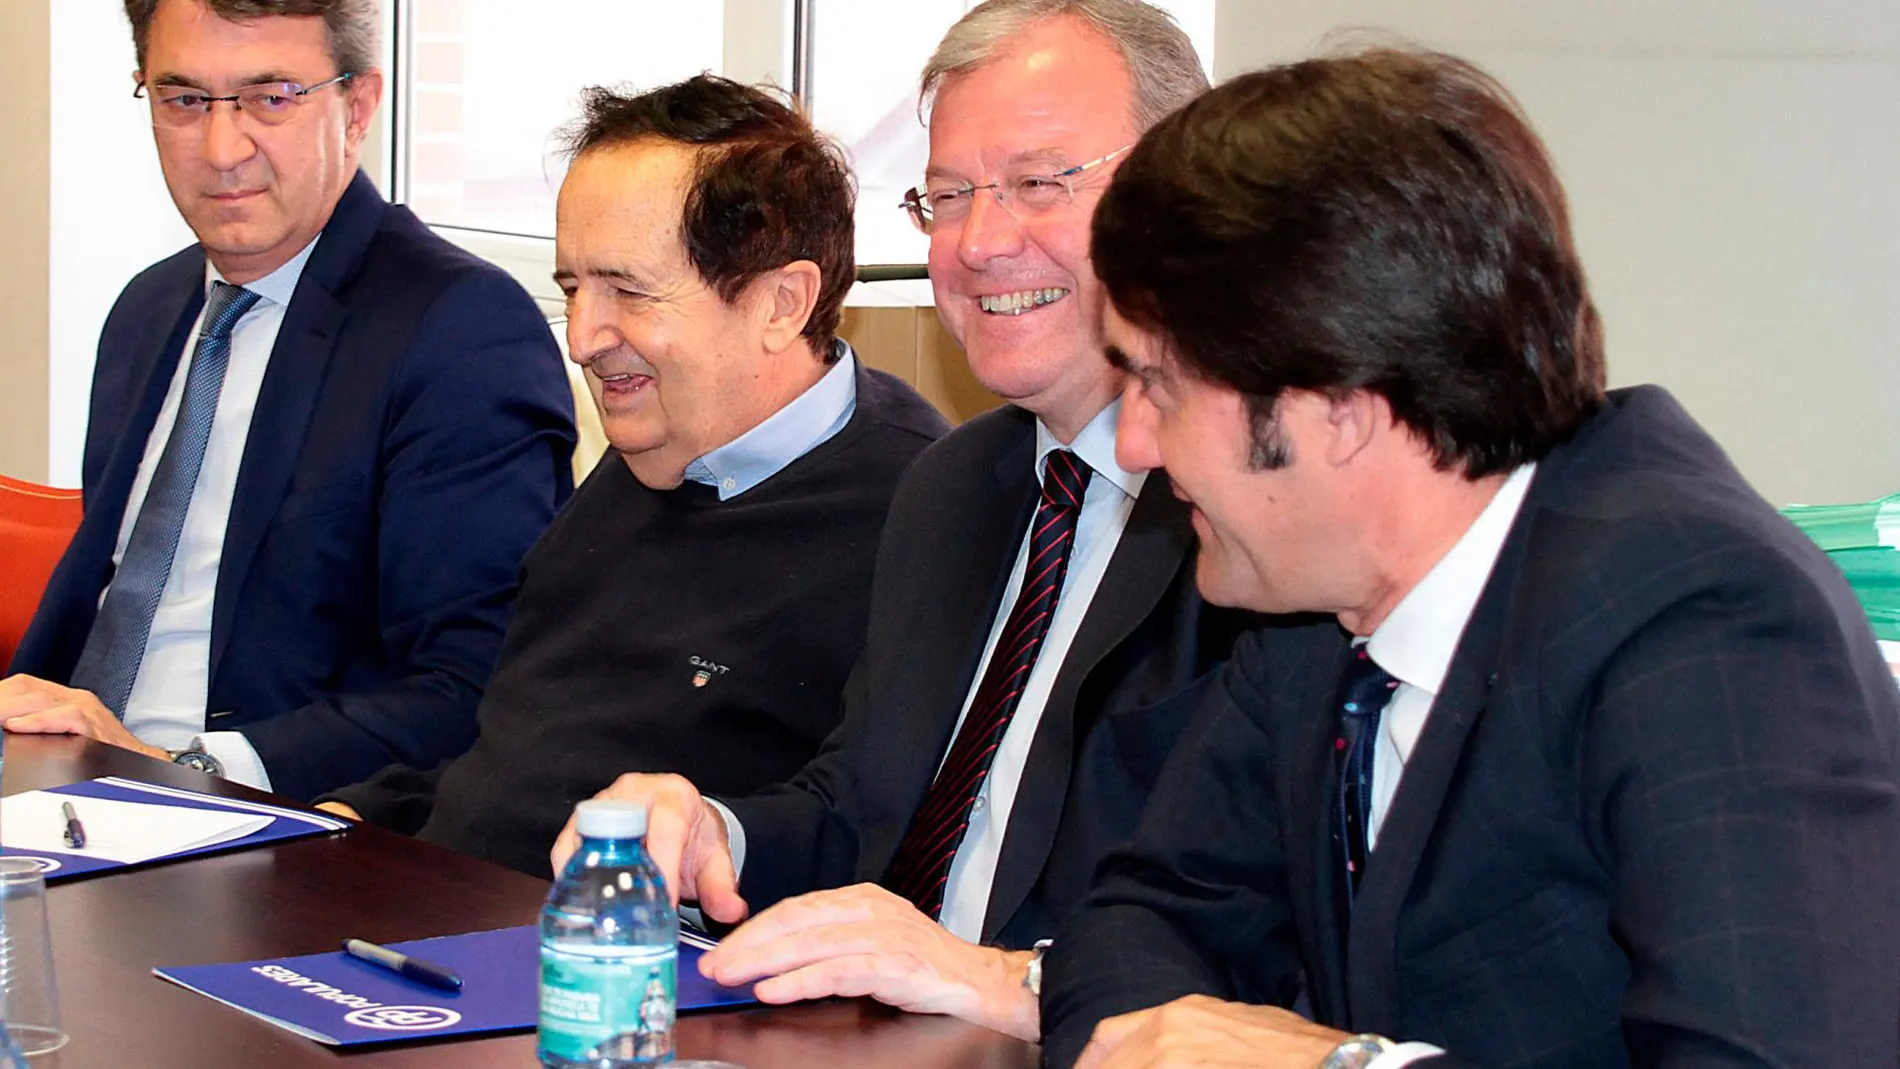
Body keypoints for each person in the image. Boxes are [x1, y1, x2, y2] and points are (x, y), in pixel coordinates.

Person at [1039, 48, 1900, 1069]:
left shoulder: (1705, 620)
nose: (1132, 443)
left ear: (1342, 411)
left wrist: (1335, 1068)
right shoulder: (1315, 604)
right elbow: (1139, 919)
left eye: (1158, 386)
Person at [553, 0, 1246, 1043]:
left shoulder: (1253, 518)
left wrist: (998, 976)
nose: (981, 241)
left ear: (1184, 197)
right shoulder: (958, 483)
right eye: (951, 195)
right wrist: (713, 833)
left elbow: (1247, 930)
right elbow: (858, 808)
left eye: (1039, 181)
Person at [317, 76, 949, 877]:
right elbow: (519, 768)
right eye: (574, 288)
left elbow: (863, 836)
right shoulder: (645, 458)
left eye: (629, 291)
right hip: (432, 917)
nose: (581, 337)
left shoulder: (921, 510)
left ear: (782, 303)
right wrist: (362, 816)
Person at [0, 0, 575, 801]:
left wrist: (185, 771)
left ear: (360, 105)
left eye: (271, 98)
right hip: (54, 790)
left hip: (254, 828)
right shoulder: (148, 308)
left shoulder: (461, 332)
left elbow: (473, 683)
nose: (221, 148)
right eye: (184, 99)